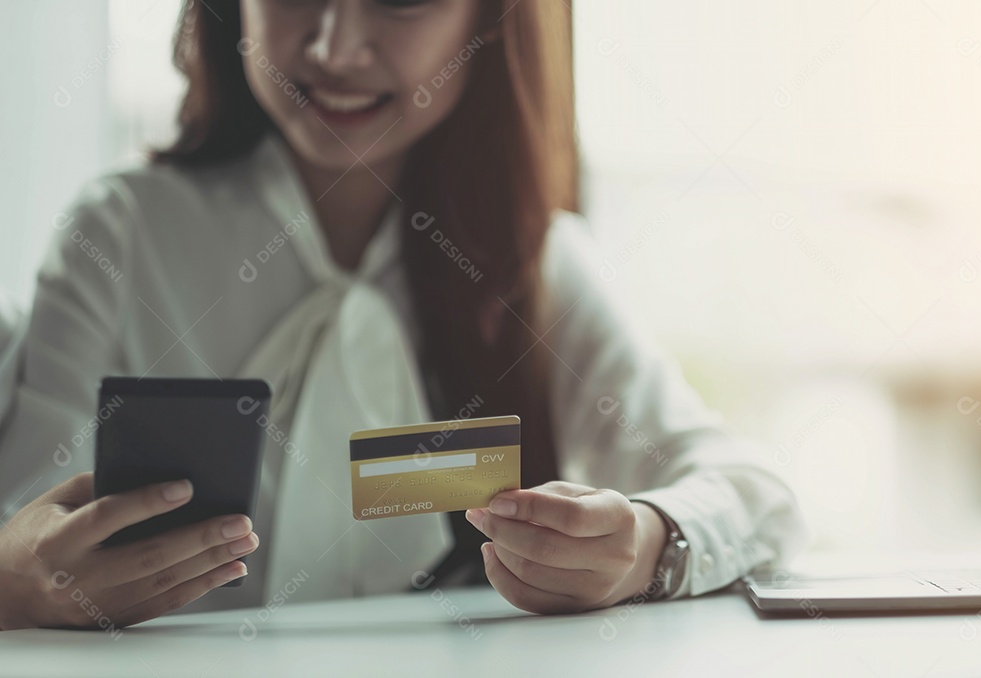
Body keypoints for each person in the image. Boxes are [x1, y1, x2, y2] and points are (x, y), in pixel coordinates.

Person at [0, 0, 805, 630]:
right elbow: (27, 518)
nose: (335, 47)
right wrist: (18, 578)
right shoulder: (121, 233)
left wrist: (648, 546)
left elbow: (754, 492)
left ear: (485, 20)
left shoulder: (536, 262)